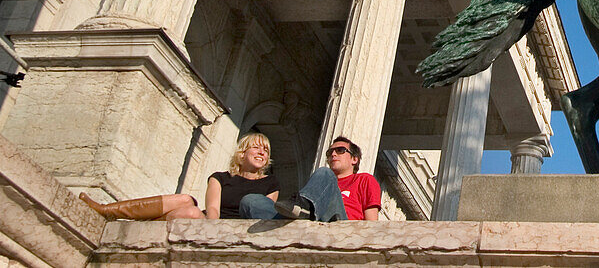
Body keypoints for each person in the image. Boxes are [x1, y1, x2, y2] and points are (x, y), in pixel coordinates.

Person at [79, 132, 278, 220]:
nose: (262, 152)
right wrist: (212, 228)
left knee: (191, 213)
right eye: (256, 147)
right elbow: (213, 211)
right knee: (186, 200)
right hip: (213, 221)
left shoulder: (270, 183)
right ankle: (108, 210)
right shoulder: (220, 177)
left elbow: (263, 214)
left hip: (237, 228)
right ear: (242, 153)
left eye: (266, 151)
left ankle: (141, 225)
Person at [239, 136, 381, 221]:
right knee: (251, 201)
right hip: (309, 220)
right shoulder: (318, 182)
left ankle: (303, 207)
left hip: (338, 223)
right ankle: (302, 212)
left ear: (354, 159)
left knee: (325, 173)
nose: (333, 154)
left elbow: (371, 222)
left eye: (340, 150)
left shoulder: (364, 180)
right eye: (330, 152)